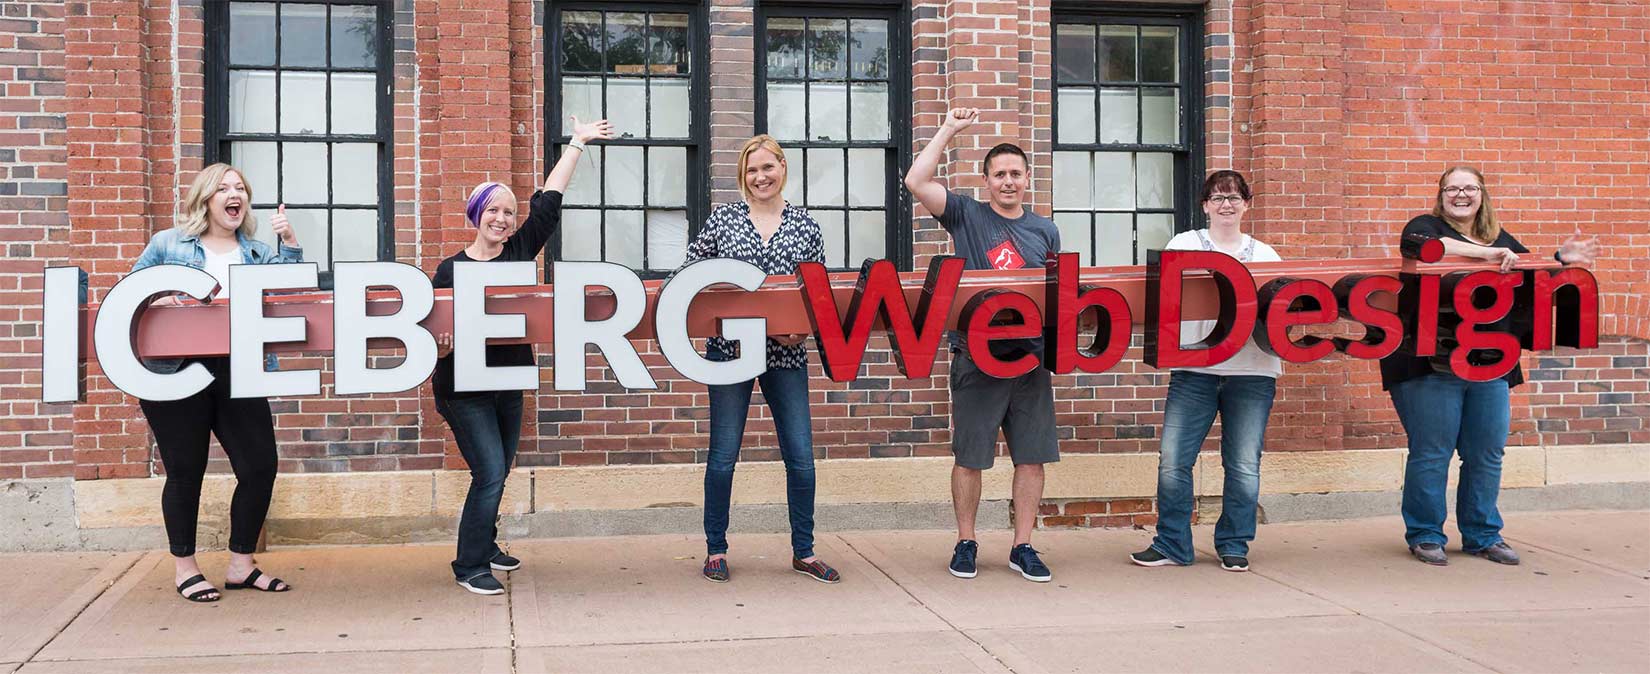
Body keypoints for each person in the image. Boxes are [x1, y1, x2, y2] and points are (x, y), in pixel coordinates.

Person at [433, 116, 614, 595]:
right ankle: (470, 565)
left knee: (499, 469)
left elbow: (549, 203)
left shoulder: (518, 254)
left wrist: (575, 142)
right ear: (475, 216)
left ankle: (486, 545)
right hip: (462, 391)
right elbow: (431, 330)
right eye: (492, 211)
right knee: (489, 472)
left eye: (508, 212)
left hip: (507, 385)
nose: (502, 219)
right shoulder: (449, 269)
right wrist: (439, 341)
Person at [1383, 165, 1597, 566]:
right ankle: (1426, 534)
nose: (1460, 195)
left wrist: (1558, 261)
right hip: (1429, 364)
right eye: (1452, 188)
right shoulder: (1424, 226)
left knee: (1486, 453)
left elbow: (1528, 277)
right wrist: (1488, 254)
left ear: (1482, 194)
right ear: (1441, 194)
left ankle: (1482, 534)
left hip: (1488, 364)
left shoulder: (1501, 237)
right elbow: (1426, 249)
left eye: (1469, 188)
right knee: (1432, 452)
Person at [130, 162, 304, 603]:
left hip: (238, 367)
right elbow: (129, 293)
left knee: (260, 466)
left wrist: (289, 243)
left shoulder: (258, 251)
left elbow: (289, 295)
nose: (235, 194)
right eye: (225, 187)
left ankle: (241, 565)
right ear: (205, 197)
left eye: (241, 188)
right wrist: (159, 296)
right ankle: (185, 568)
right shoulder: (168, 243)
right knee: (186, 470)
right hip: (175, 369)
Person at [904, 108, 1061, 583]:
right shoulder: (966, 214)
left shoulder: (1045, 230)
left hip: (1029, 361)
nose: (1008, 182)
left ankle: (1023, 545)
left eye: (1016, 174)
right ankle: (966, 541)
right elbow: (916, 180)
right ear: (987, 181)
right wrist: (949, 129)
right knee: (970, 457)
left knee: (1031, 457)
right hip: (976, 357)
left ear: (1028, 179)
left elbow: (1055, 293)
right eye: (999, 175)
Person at [686, 135, 839, 584]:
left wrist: (803, 328)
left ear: (782, 169)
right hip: (729, 354)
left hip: (786, 354)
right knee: (723, 456)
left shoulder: (805, 225)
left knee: (801, 456)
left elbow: (818, 291)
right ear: (742, 176)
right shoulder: (723, 219)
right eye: (752, 170)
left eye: (768, 167)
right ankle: (716, 549)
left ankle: (804, 551)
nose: (761, 177)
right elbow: (690, 275)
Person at [1129, 171, 1281, 573]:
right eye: (1217, 197)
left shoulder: (1267, 255)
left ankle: (1234, 543)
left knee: (1244, 462)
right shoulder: (1184, 244)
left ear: (1247, 203)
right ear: (1205, 205)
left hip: (1253, 370)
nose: (1226, 204)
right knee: (1174, 459)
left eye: (1234, 197)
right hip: (1194, 369)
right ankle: (1173, 543)